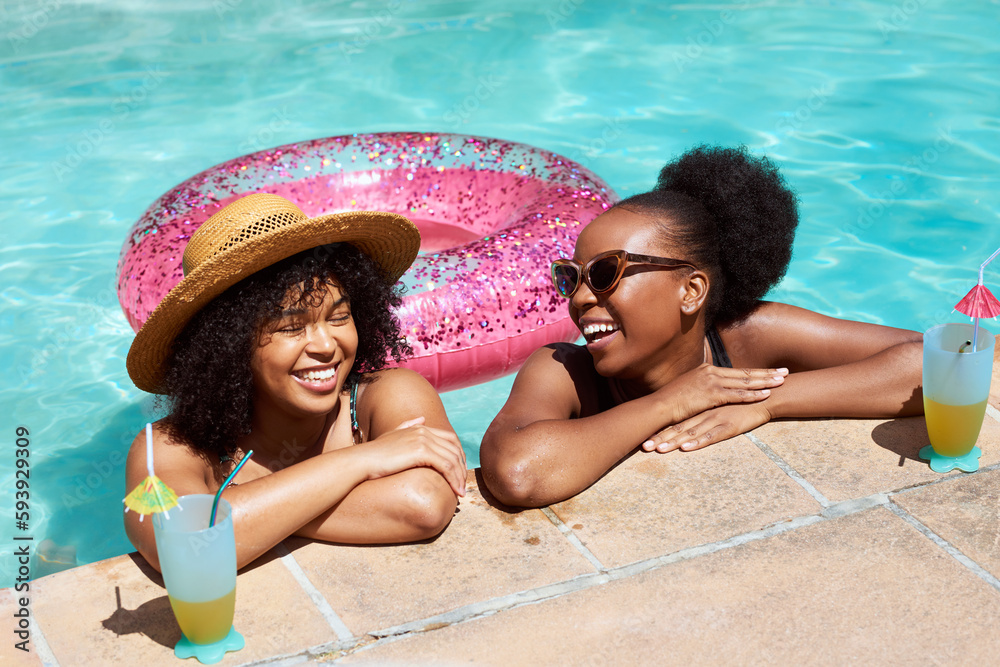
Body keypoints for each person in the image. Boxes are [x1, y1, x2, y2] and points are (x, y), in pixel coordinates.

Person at [480, 145, 923, 508]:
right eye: (571, 277)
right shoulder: (563, 370)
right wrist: (673, 403)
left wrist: (767, 402)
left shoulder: (753, 335)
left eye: (604, 273)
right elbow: (518, 473)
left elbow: (951, 358)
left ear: (690, 291)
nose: (579, 298)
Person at [124, 194, 466, 571]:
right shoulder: (171, 446)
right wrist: (367, 459)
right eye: (290, 327)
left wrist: (247, 519)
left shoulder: (385, 396)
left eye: (339, 317)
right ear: (229, 349)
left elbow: (422, 502)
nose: (325, 346)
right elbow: (181, 547)